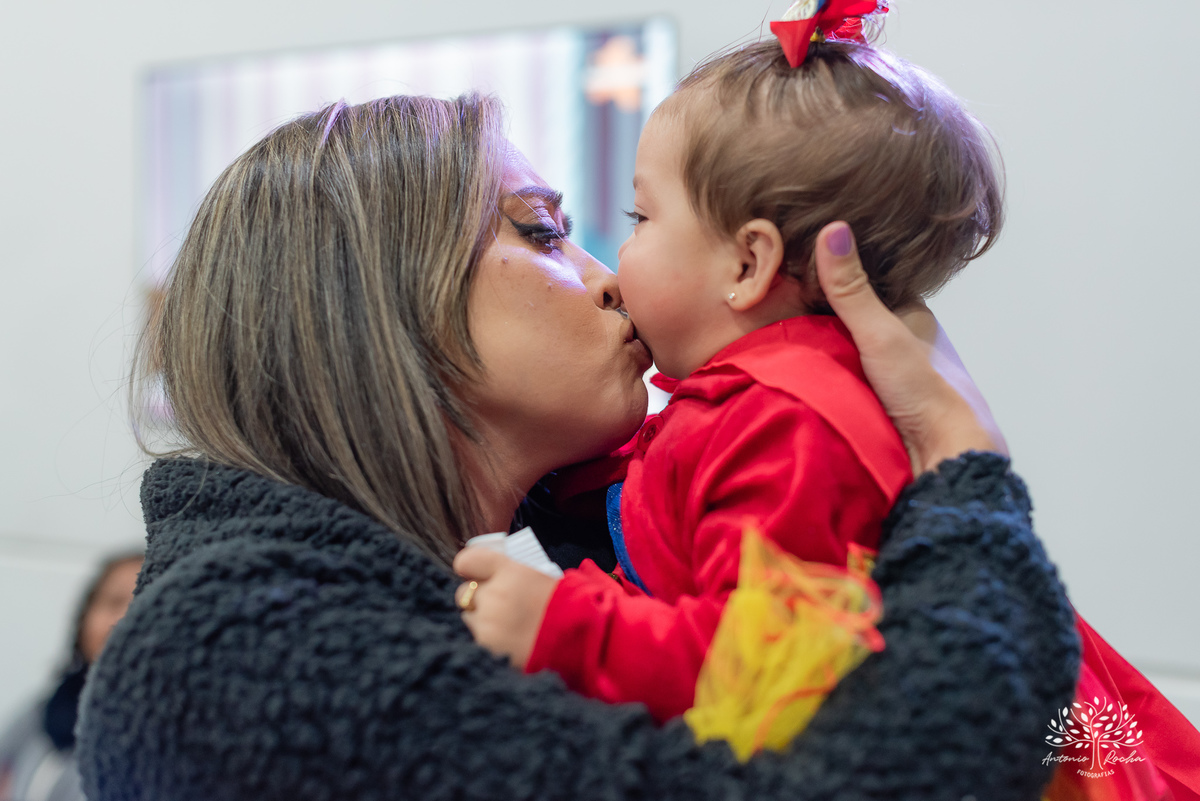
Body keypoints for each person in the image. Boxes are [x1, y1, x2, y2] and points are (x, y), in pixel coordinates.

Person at [77, 92, 1078, 801]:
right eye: (543, 231)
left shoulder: (536, 552)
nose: (612, 279)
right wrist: (964, 471)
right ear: (374, 301)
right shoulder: (235, 653)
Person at [454, 7, 1008, 732]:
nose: (616, 264)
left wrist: (571, 630)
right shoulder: (744, 404)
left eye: (642, 219)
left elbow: (772, 668)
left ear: (748, 264)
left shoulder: (789, 427)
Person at [0, 552, 142, 801]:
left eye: (141, 604)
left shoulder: (171, 734)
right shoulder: (44, 710)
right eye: (114, 601)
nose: (123, 619)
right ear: (85, 616)